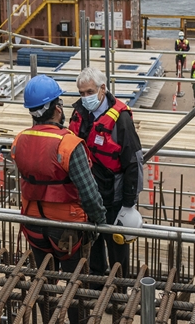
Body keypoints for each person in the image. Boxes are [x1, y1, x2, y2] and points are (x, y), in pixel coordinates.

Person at [13, 75, 106, 324]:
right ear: (56, 109)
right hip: (67, 229)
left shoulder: (19, 140)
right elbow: (89, 194)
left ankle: (49, 320)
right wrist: (98, 223)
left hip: (32, 223)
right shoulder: (69, 144)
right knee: (75, 283)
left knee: (44, 278)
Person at [69, 67, 144, 278]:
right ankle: (96, 285)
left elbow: (133, 163)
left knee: (117, 249)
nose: (85, 98)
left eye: (89, 92)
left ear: (102, 89)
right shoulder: (79, 114)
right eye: (81, 93)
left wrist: (129, 204)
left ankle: (119, 293)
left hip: (114, 197)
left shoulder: (121, 120)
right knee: (92, 244)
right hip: (88, 195)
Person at [174, 31, 190, 97]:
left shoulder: (186, 41)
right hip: (178, 55)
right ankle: (177, 73)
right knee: (178, 65)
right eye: (180, 36)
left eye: (182, 36)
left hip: (183, 55)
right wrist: (179, 48)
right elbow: (175, 48)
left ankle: (181, 74)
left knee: (182, 65)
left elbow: (188, 48)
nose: (181, 37)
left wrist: (184, 50)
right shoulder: (177, 41)